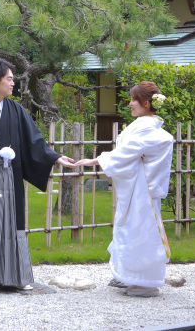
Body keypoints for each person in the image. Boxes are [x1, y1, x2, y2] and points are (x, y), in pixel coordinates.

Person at [0, 58, 75, 291]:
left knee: (10, 221)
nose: (13, 83)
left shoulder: (17, 110)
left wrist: (55, 157)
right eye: (9, 79)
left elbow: (34, 140)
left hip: (9, 174)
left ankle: (16, 277)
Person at [74, 81, 173, 297]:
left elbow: (127, 152)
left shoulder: (148, 129)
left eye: (134, 100)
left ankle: (146, 281)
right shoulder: (144, 126)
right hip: (138, 186)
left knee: (140, 231)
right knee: (132, 229)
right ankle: (133, 277)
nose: (130, 103)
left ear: (146, 103)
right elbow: (130, 152)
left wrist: (96, 160)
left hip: (143, 189)